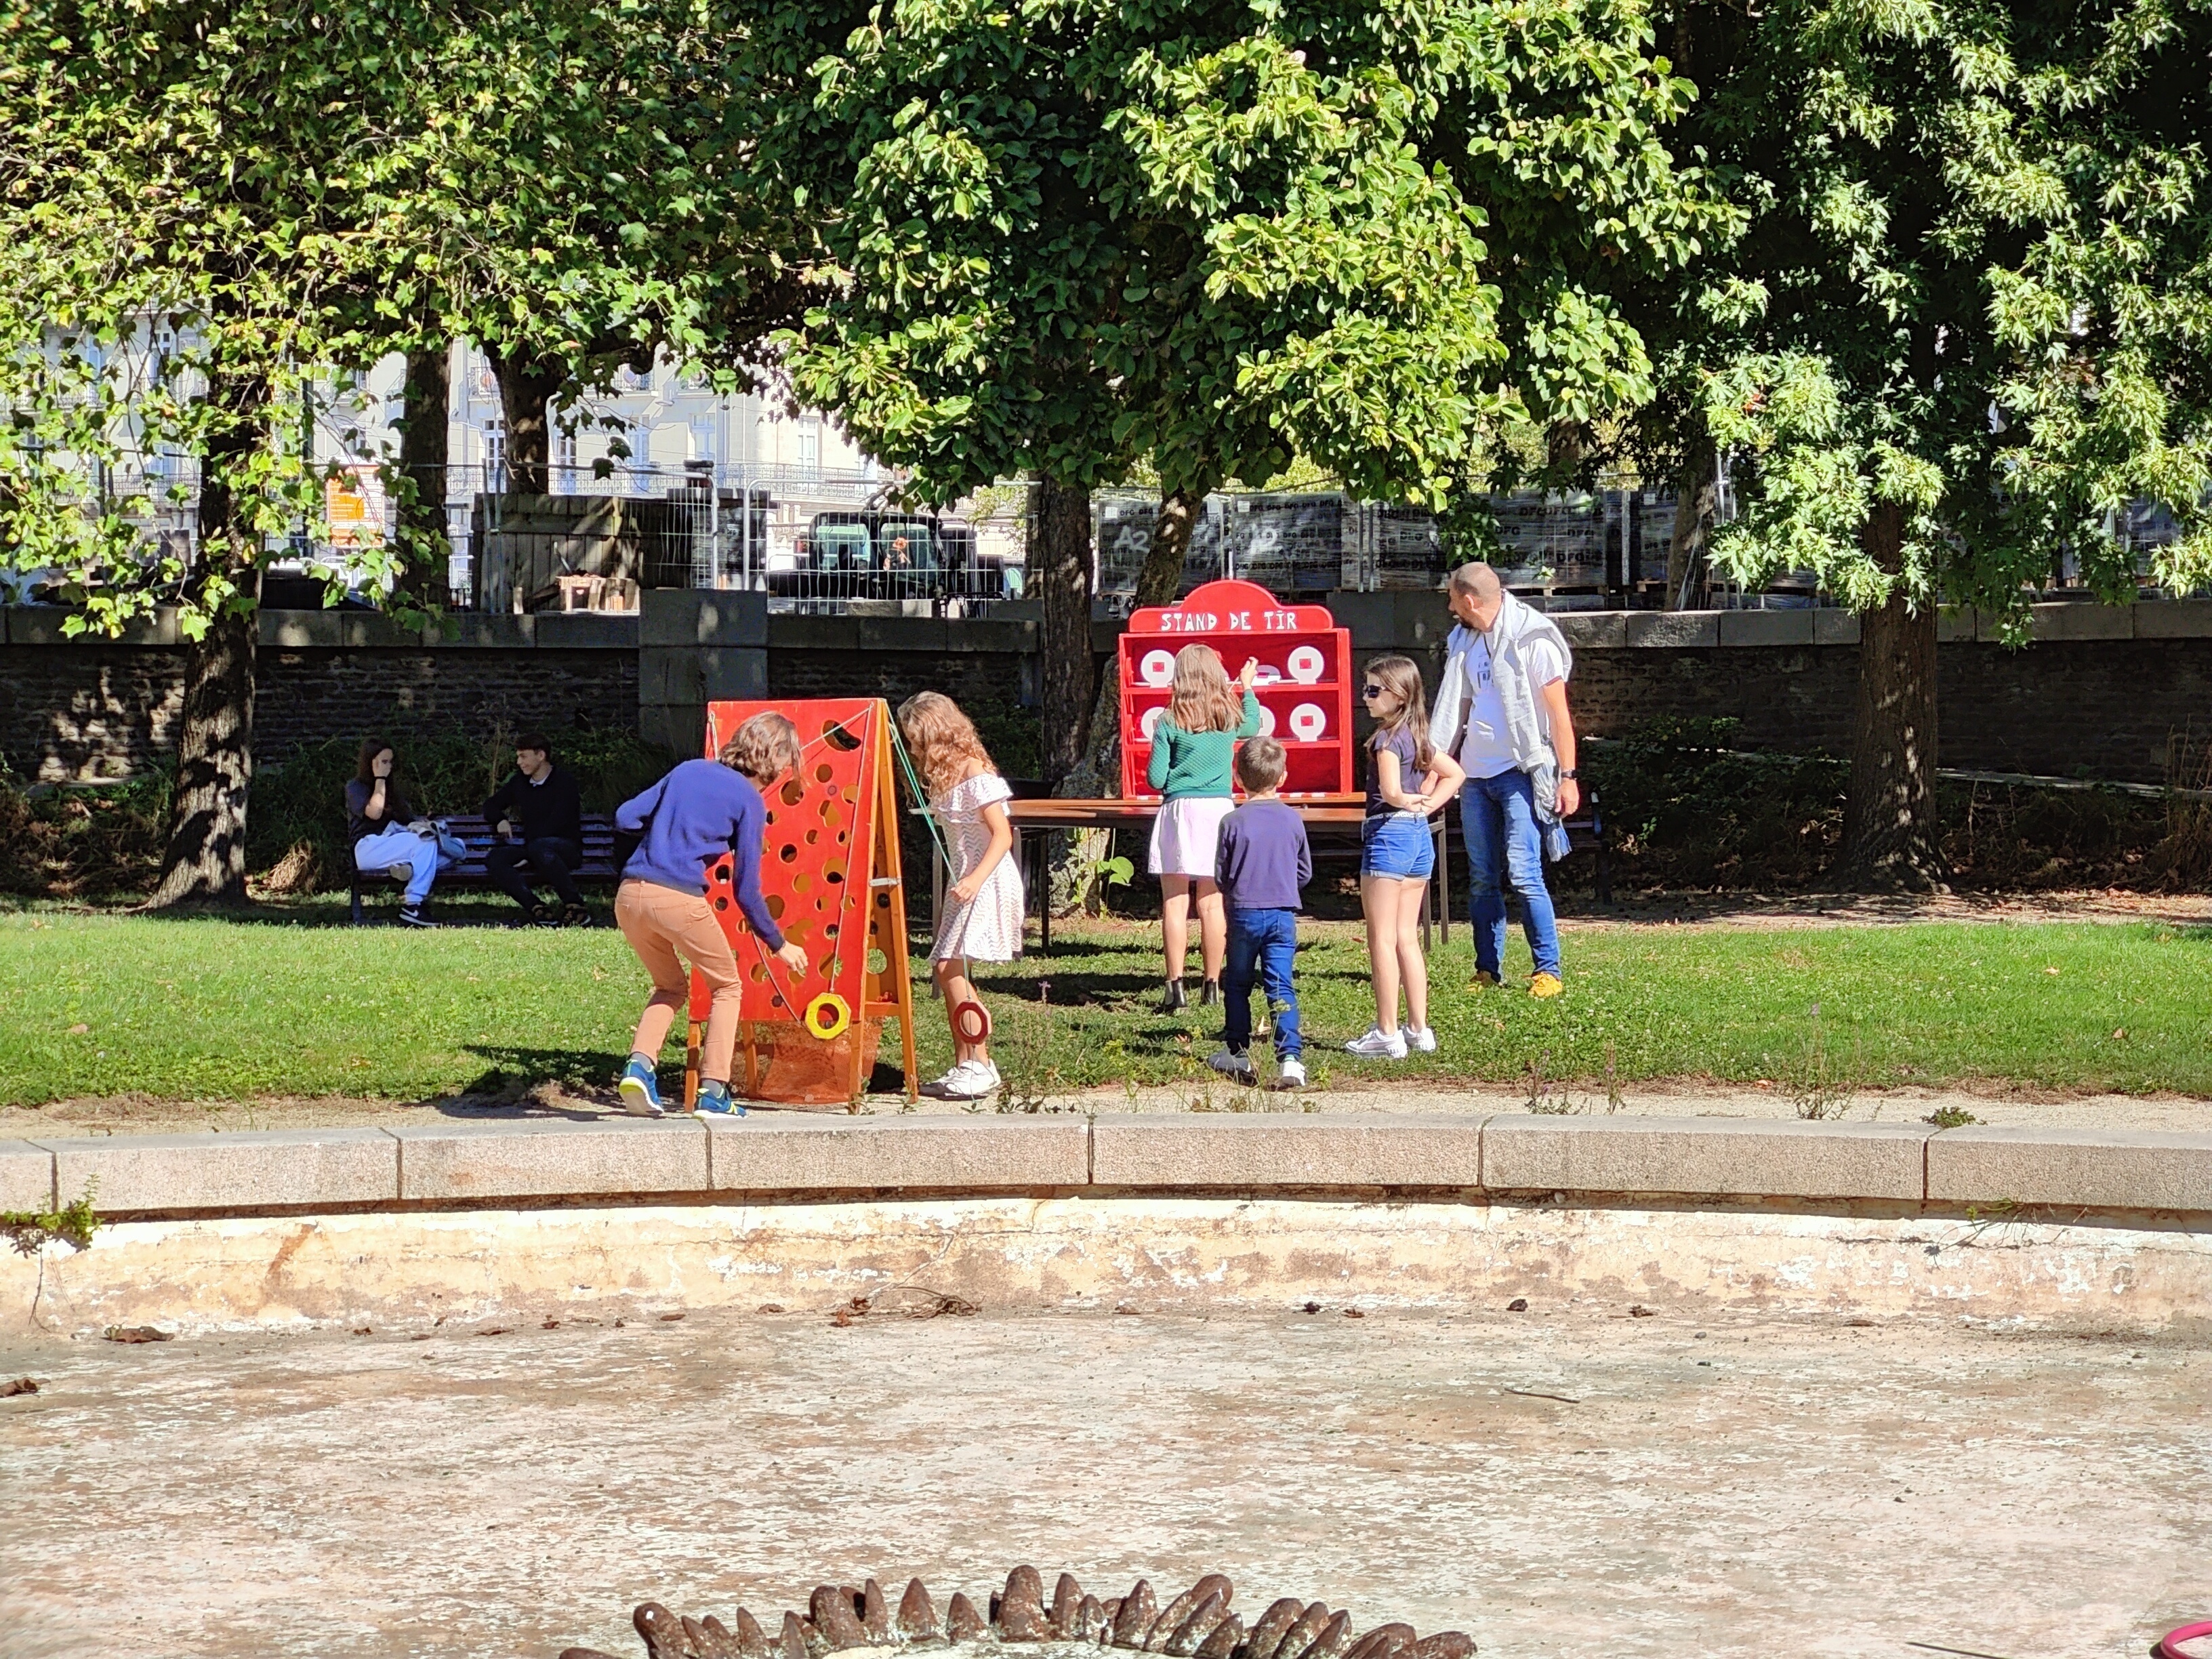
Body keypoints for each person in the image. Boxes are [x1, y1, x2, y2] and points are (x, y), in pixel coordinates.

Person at [611, 712, 811, 1119]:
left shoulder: (688, 770)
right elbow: (746, 891)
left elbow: (625, 817)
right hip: (679, 899)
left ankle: (639, 1066)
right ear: (776, 763)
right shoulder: (749, 801)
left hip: (629, 897)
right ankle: (714, 1092)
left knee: (669, 986)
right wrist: (779, 943)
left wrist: (665, 834)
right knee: (727, 987)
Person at [1427, 561, 1579, 998]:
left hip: (1520, 774)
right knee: (1481, 877)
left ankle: (1547, 970)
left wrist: (1566, 776)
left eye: (1453, 598)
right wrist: (1435, 764)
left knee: (1525, 873)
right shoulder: (1465, 640)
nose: (1451, 608)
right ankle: (1487, 969)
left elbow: (1559, 716)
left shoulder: (1534, 638)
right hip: (1475, 776)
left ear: (1469, 599)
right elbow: (1454, 711)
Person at [898, 691, 1024, 1101]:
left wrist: (974, 880)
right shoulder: (944, 774)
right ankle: (967, 1062)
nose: (913, 746)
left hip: (985, 877)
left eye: (915, 737)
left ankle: (980, 1062)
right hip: (965, 878)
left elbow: (1002, 836)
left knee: (951, 967)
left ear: (935, 733)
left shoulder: (974, 772)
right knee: (946, 968)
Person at [1345, 655, 1465, 1058]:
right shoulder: (1418, 735)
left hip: (1387, 834)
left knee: (1380, 939)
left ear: (1399, 695)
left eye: (1375, 691)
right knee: (1406, 938)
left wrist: (1407, 800)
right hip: (1417, 838)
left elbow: (1391, 791)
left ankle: (1386, 1032)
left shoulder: (1385, 740)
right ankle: (1419, 1028)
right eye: (1366, 689)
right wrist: (1428, 806)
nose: (1367, 698)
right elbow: (1455, 774)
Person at [1146, 642, 1263, 1012]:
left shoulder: (1168, 719)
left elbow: (1155, 777)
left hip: (1180, 810)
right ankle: (1212, 985)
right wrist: (1247, 686)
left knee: (1175, 904)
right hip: (1218, 810)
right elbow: (1254, 724)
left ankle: (1174, 988)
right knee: (1213, 906)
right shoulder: (1227, 716)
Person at [1207, 736, 1311, 1090]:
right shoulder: (1293, 820)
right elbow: (1304, 872)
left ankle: (1236, 1050)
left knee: (1237, 982)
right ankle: (1291, 1060)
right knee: (1281, 984)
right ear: (1282, 777)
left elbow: (1222, 874)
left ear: (1237, 776)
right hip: (1283, 913)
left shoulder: (1232, 821)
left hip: (1243, 913)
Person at [346, 739, 459, 928]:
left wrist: (429, 823)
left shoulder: (392, 790)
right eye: (383, 762)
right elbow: (375, 813)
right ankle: (413, 905)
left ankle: (409, 868)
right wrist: (379, 779)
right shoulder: (355, 787)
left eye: (390, 762)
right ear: (370, 762)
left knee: (453, 850)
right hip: (368, 847)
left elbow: (408, 820)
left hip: (394, 845)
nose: (388, 767)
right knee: (427, 842)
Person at [479, 732, 588, 926]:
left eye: (524, 756)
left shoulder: (564, 783)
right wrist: (500, 820)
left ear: (541, 756)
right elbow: (491, 805)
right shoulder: (520, 782)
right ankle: (537, 908)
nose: (519, 762)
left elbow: (559, 822)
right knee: (495, 858)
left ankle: (575, 906)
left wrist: (530, 854)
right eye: (518, 757)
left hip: (564, 849)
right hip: (533, 849)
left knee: (540, 848)